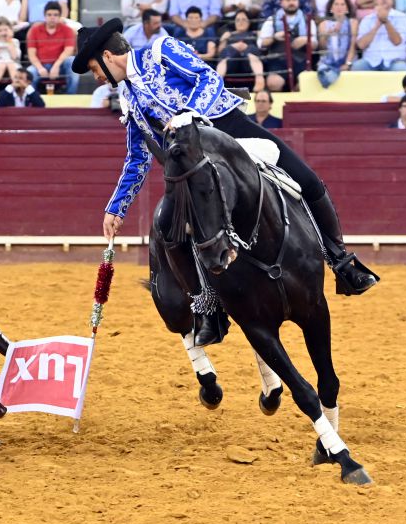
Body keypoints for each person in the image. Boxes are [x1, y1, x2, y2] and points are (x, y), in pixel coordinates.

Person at [71, 18, 379, 319]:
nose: (97, 77)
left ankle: (341, 261)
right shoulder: (128, 100)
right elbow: (138, 158)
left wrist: (187, 117)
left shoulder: (161, 51)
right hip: (192, 165)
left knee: (308, 181)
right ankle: (206, 306)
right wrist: (116, 208)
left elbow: (207, 78)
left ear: (107, 55)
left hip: (229, 129)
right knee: (168, 227)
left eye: (95, 69)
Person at [258, 0, 312, 89]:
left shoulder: (307, 20)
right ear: (281, 3)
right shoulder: (271, 20)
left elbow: (315, 44)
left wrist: (306, 40)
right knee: (273, 83)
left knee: (306, 85)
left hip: (301, 61)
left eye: (294, 0)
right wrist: (274, 37)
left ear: (298, 2)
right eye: (288, 0)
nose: (291, 3)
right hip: (278, 61)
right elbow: (262, 43)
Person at [353, 0, 406, 70]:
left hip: (395, 61)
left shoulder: (402, 17)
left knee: (401, 68)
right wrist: (377, 25)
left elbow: (397, 41)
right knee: (357, 66)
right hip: (370, 61)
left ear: (392, 0)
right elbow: (361, 45)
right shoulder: (367, 19)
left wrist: (386, 21)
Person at [26, 1, 76, 94]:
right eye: (49, 14)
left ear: (60, 16)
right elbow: (31, 53)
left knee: (72, 61)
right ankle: (33, 101)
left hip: (61, 66)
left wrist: (56, 66)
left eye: (55, 15)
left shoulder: (68, 30)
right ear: (44, 16)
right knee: (29, 72)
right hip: (40, 66)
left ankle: (70, 98)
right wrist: (40, 68)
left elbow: (69, 51)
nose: (52, 17)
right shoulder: (34, 30)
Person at [216, 9, 265, 88]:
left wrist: (247, 47)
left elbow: (262, 48)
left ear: (249, 22)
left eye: (244, 19)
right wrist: (228, 42)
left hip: (249, 63)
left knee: (251, 51)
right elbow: (220, 52)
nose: (240, 22)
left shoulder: (255, 33)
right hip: (231, 62)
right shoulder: (229, 35)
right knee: (227, 51)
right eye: (238, 20)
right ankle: (218, 82)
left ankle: (259, 79)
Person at [317, 0, 358, 87]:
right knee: (325, 73)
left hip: (348, 60)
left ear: (347, 9)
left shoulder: (353, 23)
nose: (339, 7)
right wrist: (327, 34)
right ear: (331, 8)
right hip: (328, 61)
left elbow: (353, 46)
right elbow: (322, 48)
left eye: (343, 4)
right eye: (336, 4)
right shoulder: (324, 24)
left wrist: (347, 64)